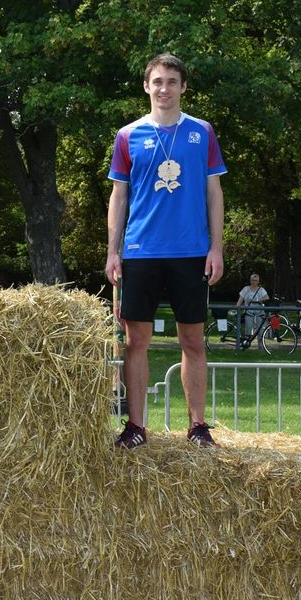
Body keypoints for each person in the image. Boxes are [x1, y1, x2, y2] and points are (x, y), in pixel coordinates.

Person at [105, 53, 227, 449]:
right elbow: (119, 196)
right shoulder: (128, 135)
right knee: (135, 341)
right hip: (141, 251)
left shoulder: (202, 132)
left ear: (183, 87)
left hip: (191, 252)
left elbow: (213, 193)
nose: (164, 88)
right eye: (157, 81)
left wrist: (216, 247)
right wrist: (113, 251)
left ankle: (197, 426)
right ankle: (136, 426)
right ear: (146, 86)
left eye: (172, 81)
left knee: (192, 340)